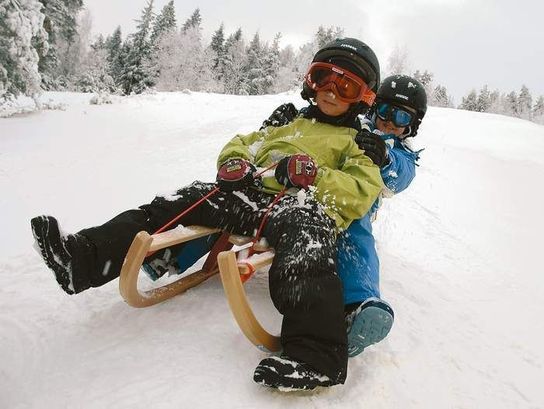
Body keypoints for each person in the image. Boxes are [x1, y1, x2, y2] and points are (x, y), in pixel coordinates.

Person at [31, 38, 384, 391]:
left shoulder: (357, 141)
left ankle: (316, 357)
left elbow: (360, 190)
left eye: (347, 86)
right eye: (324, 78)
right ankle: (83, 260)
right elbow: (243, 143)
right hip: (247, 197)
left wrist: (313, 174)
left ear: (363, 97)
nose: (332, 92)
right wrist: (236, 163)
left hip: (298, 207)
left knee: (307, 243)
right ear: (311, 81)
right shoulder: (287, 124)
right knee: (177, 201)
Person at [154, 74, 428, 359]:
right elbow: (314, 130)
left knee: (354, 237)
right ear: (373, 107)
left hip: (344, 204)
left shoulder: (400, 152)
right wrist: (284, 123)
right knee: (235, 202)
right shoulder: (355, 124)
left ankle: (358, 303)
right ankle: (173, 254)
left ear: (413, 125)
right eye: (385, 111)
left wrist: (386, 158)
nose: (390, 122)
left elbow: (401, 176)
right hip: (296, 183)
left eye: (401, 117)